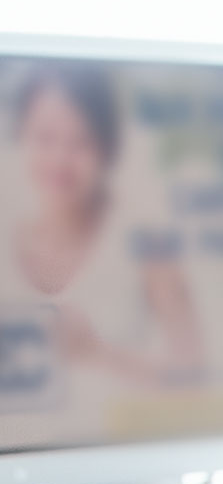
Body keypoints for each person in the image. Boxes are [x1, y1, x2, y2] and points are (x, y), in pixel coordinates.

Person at [2, 62, 203, 422]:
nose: (60, 159)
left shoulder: (148, 243)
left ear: (107, 148)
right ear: (22, 137)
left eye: (80, 141)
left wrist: (96, 352)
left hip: (129, 454)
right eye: (45, 138)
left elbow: (198, 385)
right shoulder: (8, 241)